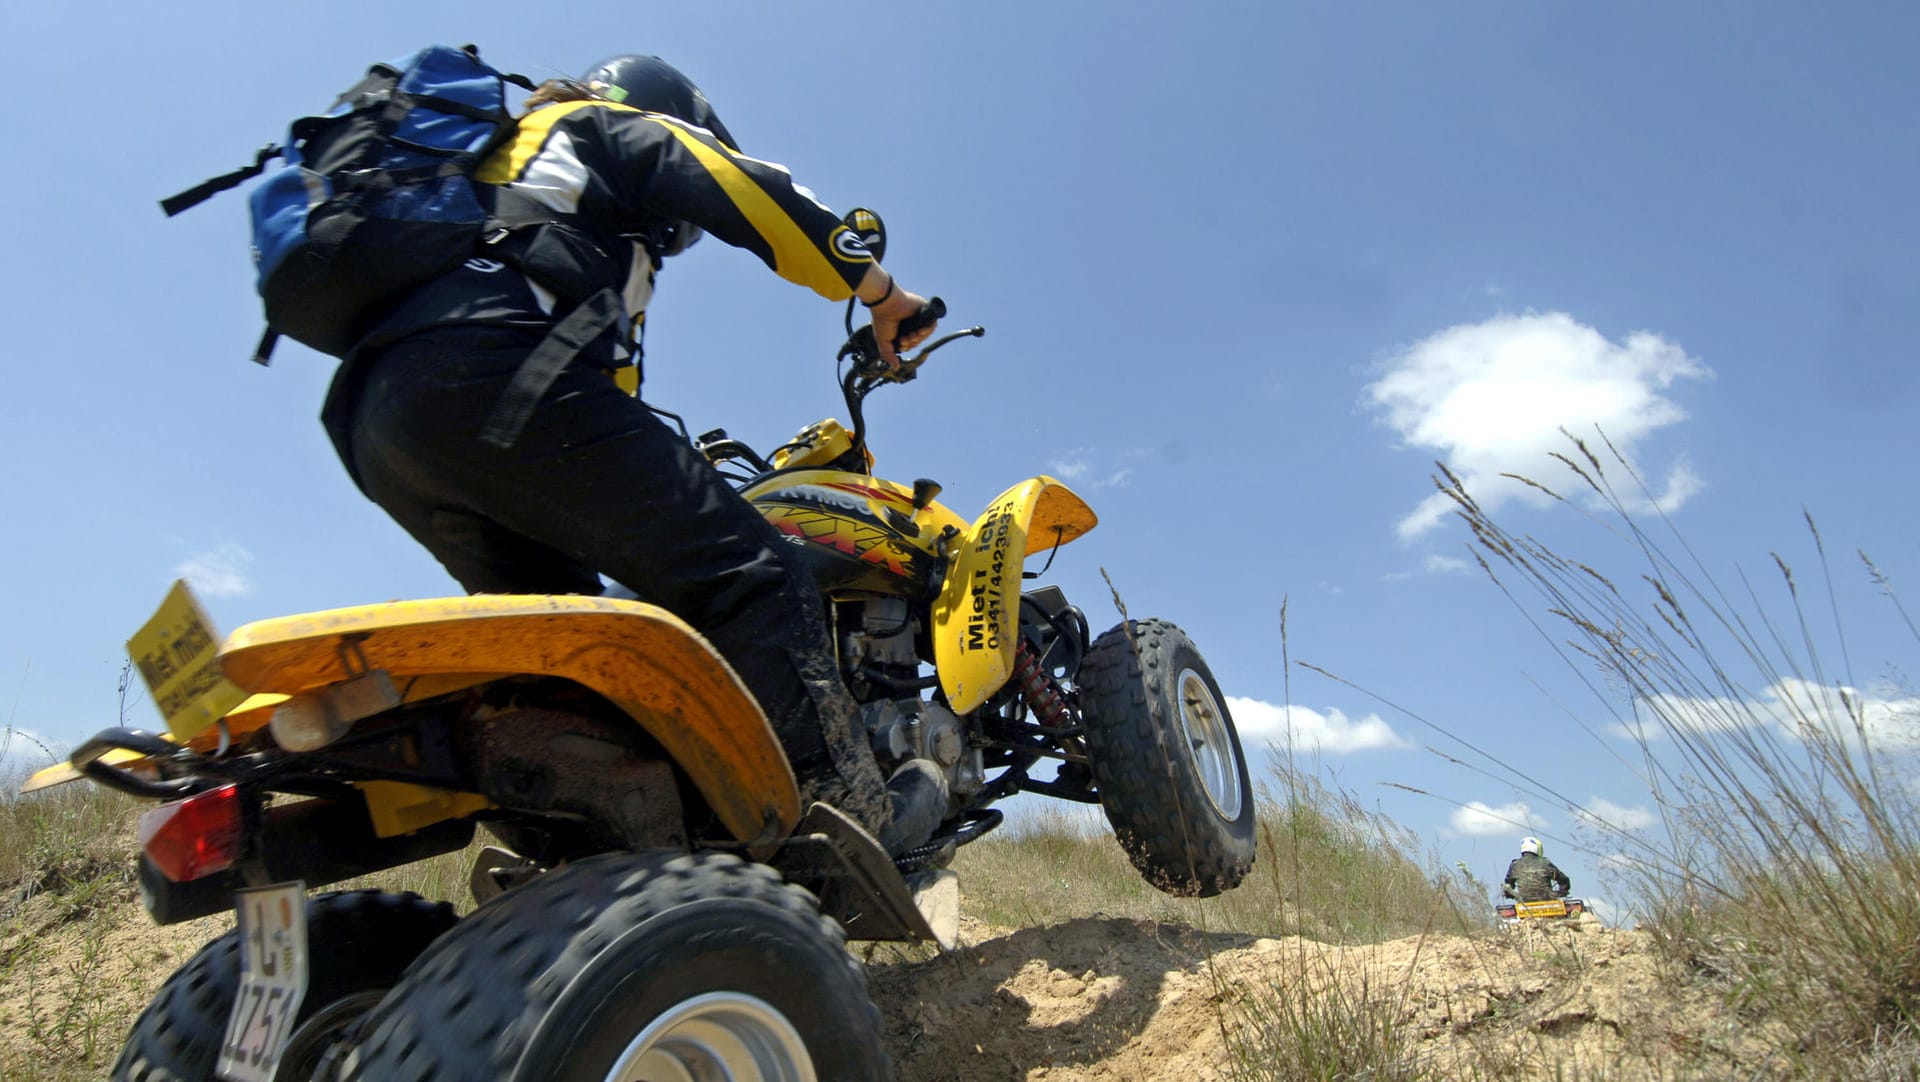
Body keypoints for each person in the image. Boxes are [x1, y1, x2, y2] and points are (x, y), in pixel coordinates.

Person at [317, 54, 946, 854]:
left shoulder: (500, 172)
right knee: (754, 576)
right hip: (500, 376)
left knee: (575, 651)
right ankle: (846, 827)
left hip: (380, 418)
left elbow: (604, 414)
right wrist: (885, 296)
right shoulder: (600, 126)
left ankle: (590, 860)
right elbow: (751, 192)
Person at [1501, 836, 1571, 902]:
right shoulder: (1545, 863)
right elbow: (1564, 880)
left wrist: (1512, 895)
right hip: (1548, 901)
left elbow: (1508, 886)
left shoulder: (1514, 865)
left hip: (1524, 903)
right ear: (1537, 848)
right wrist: (1561, 893)